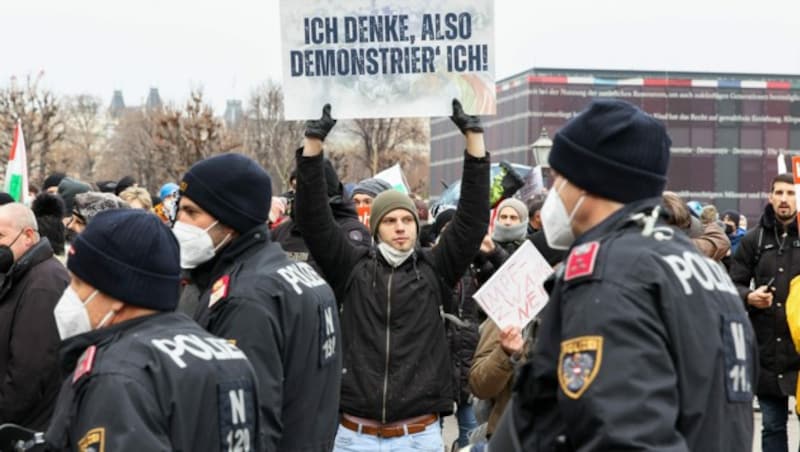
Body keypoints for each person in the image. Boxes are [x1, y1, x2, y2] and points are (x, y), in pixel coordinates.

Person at [490, 99, 756, 451]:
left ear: (587, 182)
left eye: (559, 179)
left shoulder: (610, 272)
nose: (554, 193)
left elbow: (621, 437)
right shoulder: (702, 270)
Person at [295, 101, 489, 450]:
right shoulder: (352, 268)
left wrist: (473, 137)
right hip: (355, 436)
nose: (400, 228)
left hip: (418, 436)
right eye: (390, 220)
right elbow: (312, 218)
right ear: (376, 228)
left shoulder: (435, 268)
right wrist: (313, 143)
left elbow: (473, 220)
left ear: (416, 227)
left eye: (406, 221)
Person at [44, 209, 263, 451]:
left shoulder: (118, 376)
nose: (70, 294)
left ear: (117, 291)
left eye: (78, 283)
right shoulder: (227, 355)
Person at [175, 153, 341, 451]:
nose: (179, 222)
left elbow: (245, 425)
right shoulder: (293, 273)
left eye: (191, 212)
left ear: (230, 218)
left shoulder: (245, 298)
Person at [729, 172, 800, 452]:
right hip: (767, 350)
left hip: (799, 346)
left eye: (790, 193)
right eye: (779, 193)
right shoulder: (753, 240)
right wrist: (749, 296)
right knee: (772, 426)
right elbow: (731, 285)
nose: (784, 199)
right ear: (770, 197)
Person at [0, 203, 69, 430]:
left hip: (25, 428)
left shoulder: (43, 284)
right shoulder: (23, 274)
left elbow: (28, 373)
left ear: (28, 236)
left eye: (0, 235)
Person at [271, 158, 370, 271]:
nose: (294, 195)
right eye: (294, 188)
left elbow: (348, 274)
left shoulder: (351, 232)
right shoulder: (283, 231)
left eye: (302, 188)